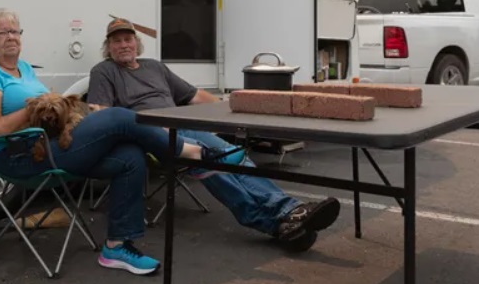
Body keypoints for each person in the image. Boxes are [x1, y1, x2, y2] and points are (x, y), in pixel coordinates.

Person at [0, 8, 242, 276]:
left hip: (53, 145)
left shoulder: (25, 69)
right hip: (19, 156)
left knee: (130, 157)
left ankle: (117, 247)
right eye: (2, 32)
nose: (11, 36)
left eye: (15, 31)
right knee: (119, 117)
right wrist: (34, 108)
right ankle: (192, 155)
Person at [87, 18, 342, 251]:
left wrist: (227, 108)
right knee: (211, 163)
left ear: (136, 43)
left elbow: (194, 95)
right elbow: (105, 115)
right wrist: (150, 126)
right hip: (152, 137)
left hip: (182, 125)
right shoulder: (104, 71)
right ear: (108, 47)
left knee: (234, 154)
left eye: (128, 39)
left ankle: (288, 218)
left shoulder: (154, 67)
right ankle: (278, 218)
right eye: (116, 41)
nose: (123, 45)